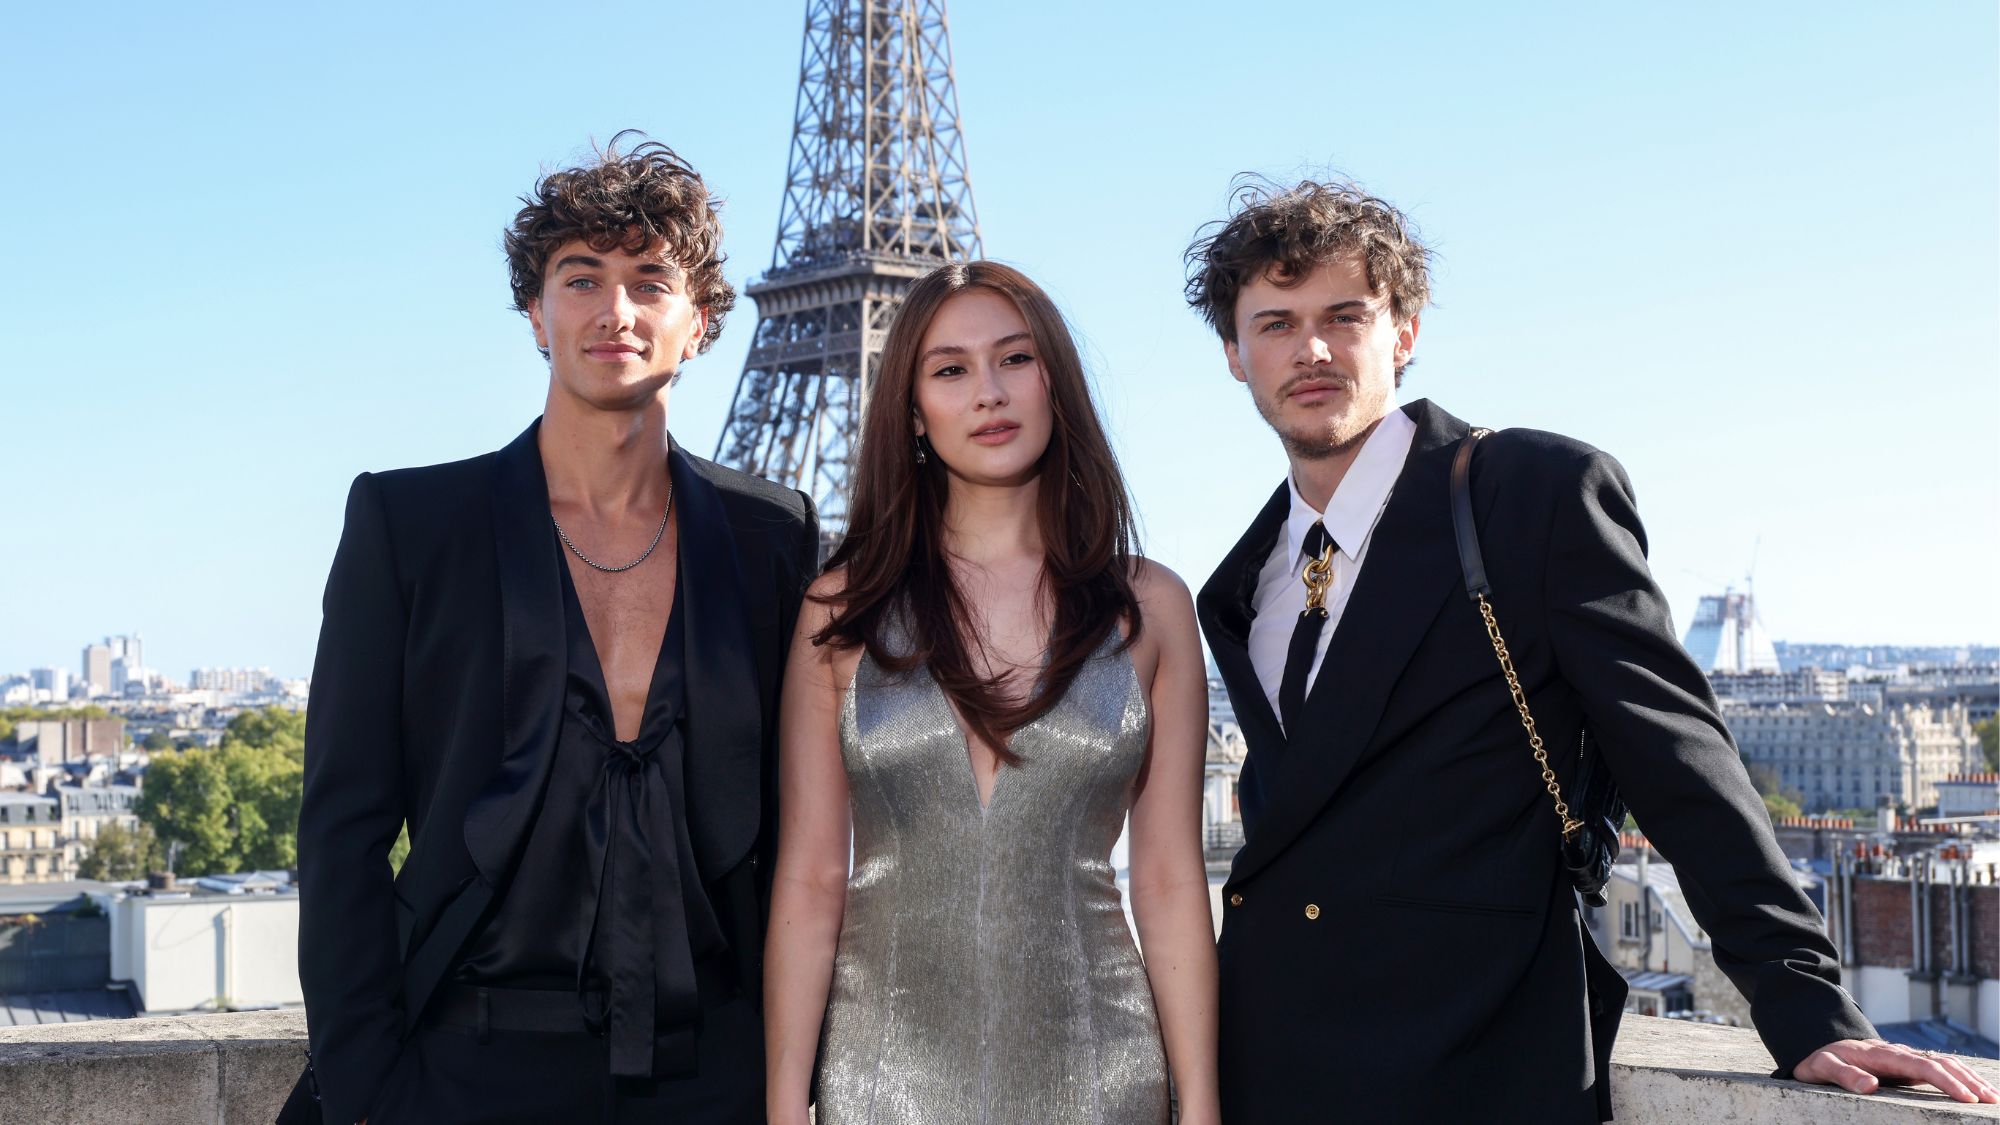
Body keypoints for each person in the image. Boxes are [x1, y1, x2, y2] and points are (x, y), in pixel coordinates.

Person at [1183, 179, 2000, 1122]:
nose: (1312, 349)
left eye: (1345, 315)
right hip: (1273, 1055)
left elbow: (1679, 760)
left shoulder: (1527, 494)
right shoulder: (1246, 581)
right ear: (1236, 355)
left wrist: (1805, 1002)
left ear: (1405, 332)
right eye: (1276, 322)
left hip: (1473, 1051)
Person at [287, 137, 818, 1125]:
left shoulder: (772, 535)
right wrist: (370, 1088)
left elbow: (806, 833)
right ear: (535, 314)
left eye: (649, 281)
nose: (614, 311)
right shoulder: (408, 527)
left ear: (698, 323)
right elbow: (343, 831)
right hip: (466, 1066)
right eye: (581, 279)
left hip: (714, 1075)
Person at [762, 261, 1221, 1125]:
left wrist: (1199, 1105)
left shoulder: (1153, 607)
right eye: (950, 369)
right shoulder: (842, 608)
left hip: (1101, 1075)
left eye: (1014, 358)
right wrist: (787, 1105)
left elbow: (1164, 880)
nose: (988, 392)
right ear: (913, 410)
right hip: (880, 1080)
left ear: (1056, 381)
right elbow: (814, 876)